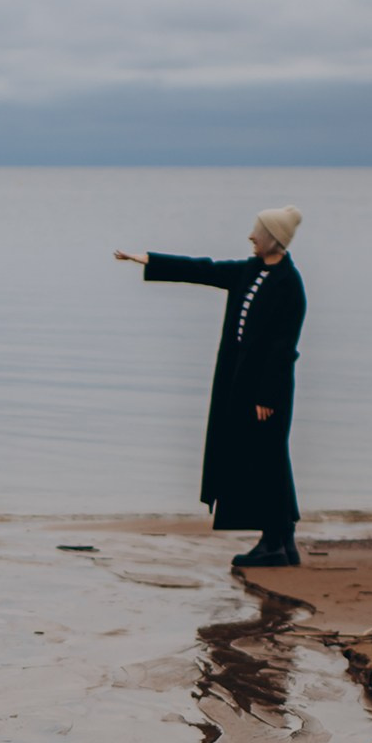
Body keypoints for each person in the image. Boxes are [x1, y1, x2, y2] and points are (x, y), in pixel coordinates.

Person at [114, 205, 306, 570]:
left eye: (257, 231)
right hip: (242, 387)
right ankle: (284, 542)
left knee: (269, 462)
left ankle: (272, 543)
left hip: (268, 394)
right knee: (266, 460)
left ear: (273, 238)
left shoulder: (289, 284)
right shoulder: (251, 271)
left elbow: (284, 348)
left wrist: (267, 396)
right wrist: (148, 260)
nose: (251, 236)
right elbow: (204, 269)